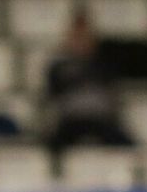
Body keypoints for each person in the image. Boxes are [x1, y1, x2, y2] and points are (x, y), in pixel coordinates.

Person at [44, 9, 134, 153]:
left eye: (85, 36)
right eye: (77, 36)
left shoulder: (105, 62)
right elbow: (52, 93)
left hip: (101, 119)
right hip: (71, 120)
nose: (81, 41)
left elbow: (113, 92)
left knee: (126, 145)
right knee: (51, 146)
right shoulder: (59, 66)